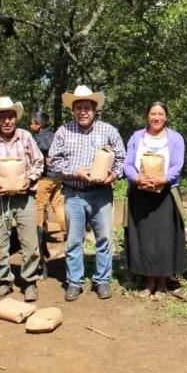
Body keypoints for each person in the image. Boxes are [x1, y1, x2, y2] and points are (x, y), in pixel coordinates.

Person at [48, 85, 126, 302]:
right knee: (74, 240)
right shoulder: (64, 131)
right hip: (73, 193)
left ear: (95, 109)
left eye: (87, 107)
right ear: (73, 110)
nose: (83, 111)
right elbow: (54, 161)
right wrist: (76, 172)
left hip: (101, 193)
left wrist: (114, 175)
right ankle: (75, 282)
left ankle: (102, 281)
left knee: (104, 239)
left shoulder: (108, 131)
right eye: (79, 107)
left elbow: (121, 158)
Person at [0, 96, 44, 301]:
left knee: (30, 242)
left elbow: (39, 163)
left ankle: (30, 281)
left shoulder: (25, 137)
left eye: (10, 117)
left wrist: (29, 179)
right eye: (2, 117)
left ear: (16, 118)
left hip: (25, 199)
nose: (7, 121)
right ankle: (4, 281)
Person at [124, 101, 187, 299]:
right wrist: (136, 178)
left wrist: (164, 178)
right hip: (140, 193)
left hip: (166, 195)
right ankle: (149, 280)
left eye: (160, 114)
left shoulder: (175, 138)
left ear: (166, 117)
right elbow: (127, 163)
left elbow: (178, 164)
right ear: (147, 116)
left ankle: (162, 282)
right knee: (145, 238)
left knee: (164, 239)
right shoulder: (137, 137)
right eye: (153, 114)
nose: (156, 117)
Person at [29, 111, 66, 241]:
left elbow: (39, 154)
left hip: (46, 177)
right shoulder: (54, 135)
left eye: (31, 123)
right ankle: (66, 229)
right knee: (56, 204)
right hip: (58, 176)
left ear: (38, 125)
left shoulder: (39, 138)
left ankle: (38, 234)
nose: (30, 126)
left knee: (40, 206)